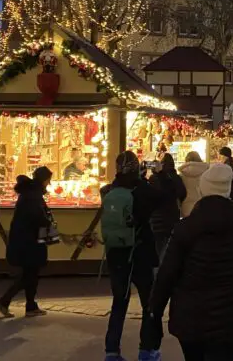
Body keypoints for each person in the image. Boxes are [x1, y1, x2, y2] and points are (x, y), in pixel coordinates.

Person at [151, 163, 233, 361]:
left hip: (191, 320)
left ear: (202, 190)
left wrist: (155, 314)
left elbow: (167, 274)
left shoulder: (186, 228)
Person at [100, 151, 164, 361]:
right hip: (141, 252)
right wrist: (157, 175)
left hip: (116, 254)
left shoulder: (108, 190)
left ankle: (111, 351)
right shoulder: (142, 191)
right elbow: (162, 197)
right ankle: (147, 350)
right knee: (148, 303)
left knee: (119, 302)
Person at [0, 167, 55, 318]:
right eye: (48, 180)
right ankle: (4, 301)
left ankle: (30, 306)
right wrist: (48, 223)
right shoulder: (33, 195)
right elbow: (36, 217)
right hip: (30, 241)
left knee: (30, 274)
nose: (49, 183)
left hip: (24, 239)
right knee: (29, 275)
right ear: (44, 180)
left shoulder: (29, 193)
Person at [149, 153, 187, 258]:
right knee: (170, 246)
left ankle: (160, 265)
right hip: (172, 215)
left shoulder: (154, 178)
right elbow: (183, 193)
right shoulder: (176, 178)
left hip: (157, 218)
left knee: (158, 247)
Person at [178, 151, 209, 217]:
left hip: (186, 206)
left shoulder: (182, 174)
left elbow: (180, 191)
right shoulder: (206, 172)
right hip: (202, 205)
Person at [218, 147, 233, 212]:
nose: (219, 157)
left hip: (229, 193)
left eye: (220, 155)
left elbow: (225, 179)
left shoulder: (227, 165)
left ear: (224, 155)